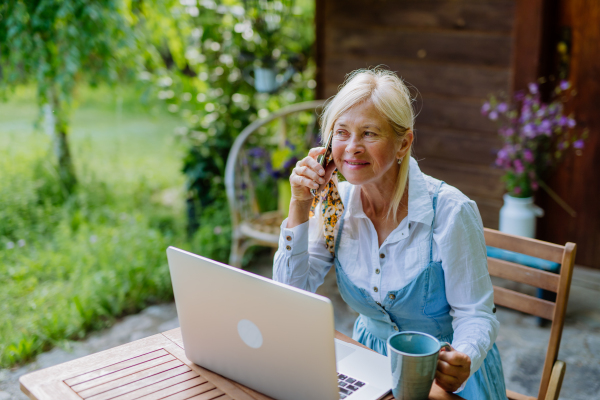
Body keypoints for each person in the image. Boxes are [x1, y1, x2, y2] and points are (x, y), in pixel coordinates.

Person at [273, 68, 507, 399]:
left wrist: (464, 358)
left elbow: (476, 315)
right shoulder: (334, 204)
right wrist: (299, 205)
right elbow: (290, 293)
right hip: (368, 368)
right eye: (342, 132)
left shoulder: (451, 211)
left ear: (403, 143)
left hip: (443, 380)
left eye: (369, 133)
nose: (352, 147)